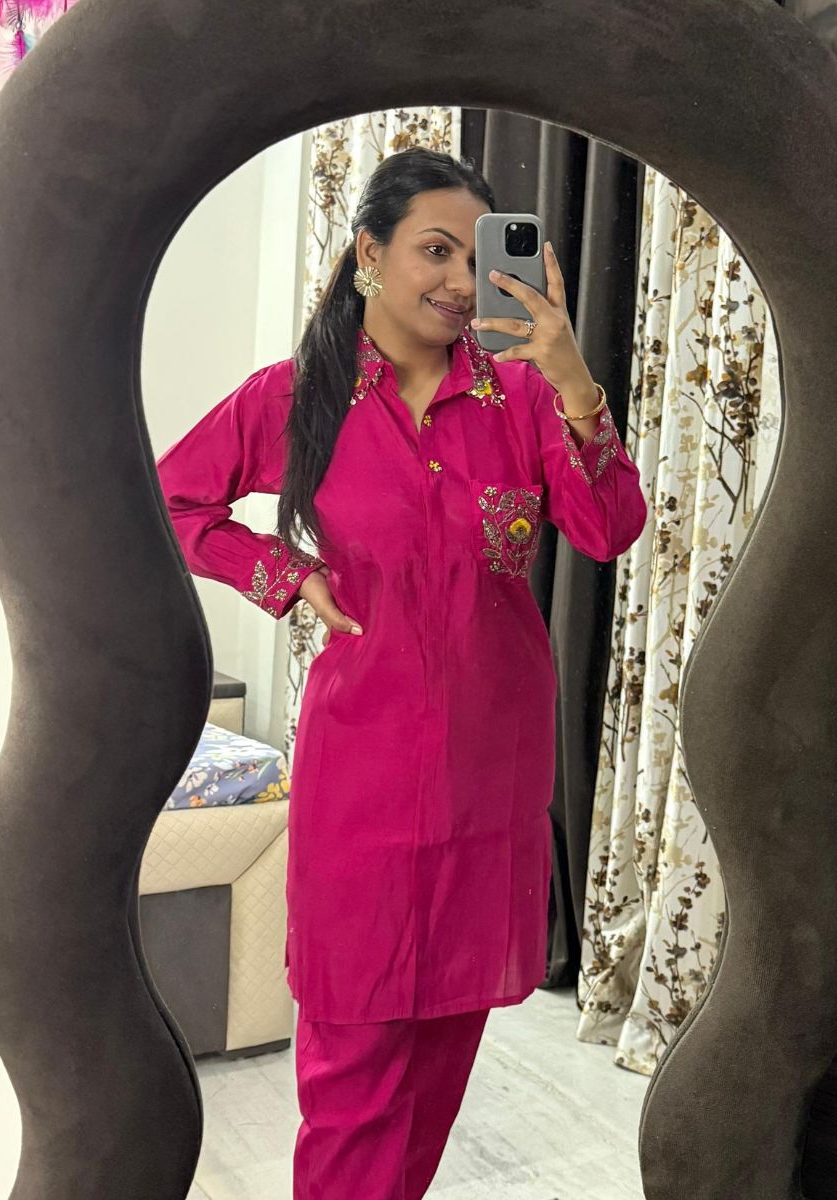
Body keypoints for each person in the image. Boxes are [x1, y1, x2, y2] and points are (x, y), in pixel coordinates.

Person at [155, 146, 648, 1200]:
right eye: (436, 251)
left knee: (438, 1063)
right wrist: (283, 573)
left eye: (478, 256)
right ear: (370, 254)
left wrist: (573, 378)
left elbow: (609, 530)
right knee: (355, 1074)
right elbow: (176, 499)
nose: (463, 282)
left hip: (490, 781)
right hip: (366, 778)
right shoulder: (299, 397)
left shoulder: (523, 398)